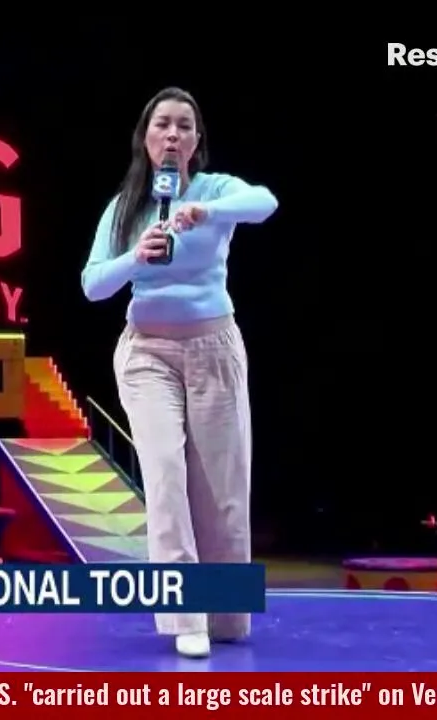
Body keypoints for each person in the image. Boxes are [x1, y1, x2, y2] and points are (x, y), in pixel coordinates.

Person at [80, 87, 278, 658]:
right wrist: (134, 256)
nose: (172, 134)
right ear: (145, 137)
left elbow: (265, 203)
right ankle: (185, 618)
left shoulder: (216, 190)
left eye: (184, 126)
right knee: (165, 477)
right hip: (148, 354)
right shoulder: (125, 207)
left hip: (214, 349)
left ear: (196, 140)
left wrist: (206, 212)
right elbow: (93, 286)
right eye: (162, 124)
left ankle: (225, 614)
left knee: (223, 491)